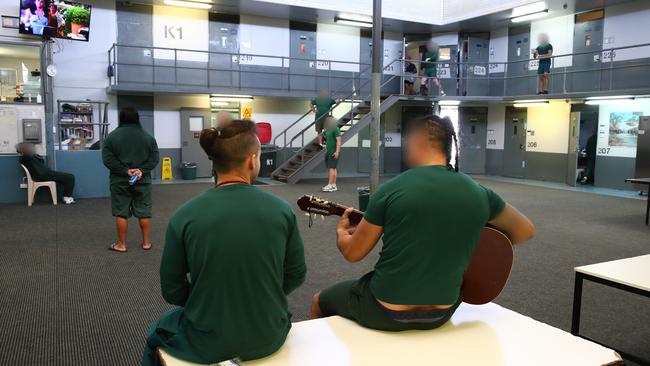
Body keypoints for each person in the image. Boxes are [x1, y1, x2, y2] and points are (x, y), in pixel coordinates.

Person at [310, 114, 535, 331]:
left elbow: (353, 254)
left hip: (383, 308)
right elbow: (525, 231)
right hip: (443, 312)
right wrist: (472, 236)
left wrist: (342, 235)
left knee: (318, 300)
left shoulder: (390, 190)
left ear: (419, 142)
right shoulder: (480, 193)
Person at [142, 120, 306, 366]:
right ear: (252, 160)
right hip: (268, 334)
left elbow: (172, 289)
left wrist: (207, 302)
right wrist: (261, 296)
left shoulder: (184, 215)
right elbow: (296, 274)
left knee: (156, 333)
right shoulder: (282, 210)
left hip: (207, 340)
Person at [102, 107, 159, 253]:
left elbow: (108, 160)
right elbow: (154, 158)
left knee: (121, 212)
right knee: (144, 211)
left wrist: (125, 171)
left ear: (121, 118)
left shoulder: (111, 137)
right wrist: (142, 170)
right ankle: (146, 243)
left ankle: (122, 245)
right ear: (137, 118)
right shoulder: (148, 137)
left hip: (120, 180)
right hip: (142, 180)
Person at [322, 116, 341, 192]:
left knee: (331, 168)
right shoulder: (328, 130)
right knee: (333, 168)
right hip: (328, 151)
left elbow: (339, 141)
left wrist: (337, 152)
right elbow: (327, 141)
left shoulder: (336, 129)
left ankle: (329, 185)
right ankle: (333, 185)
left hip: (333, 152)